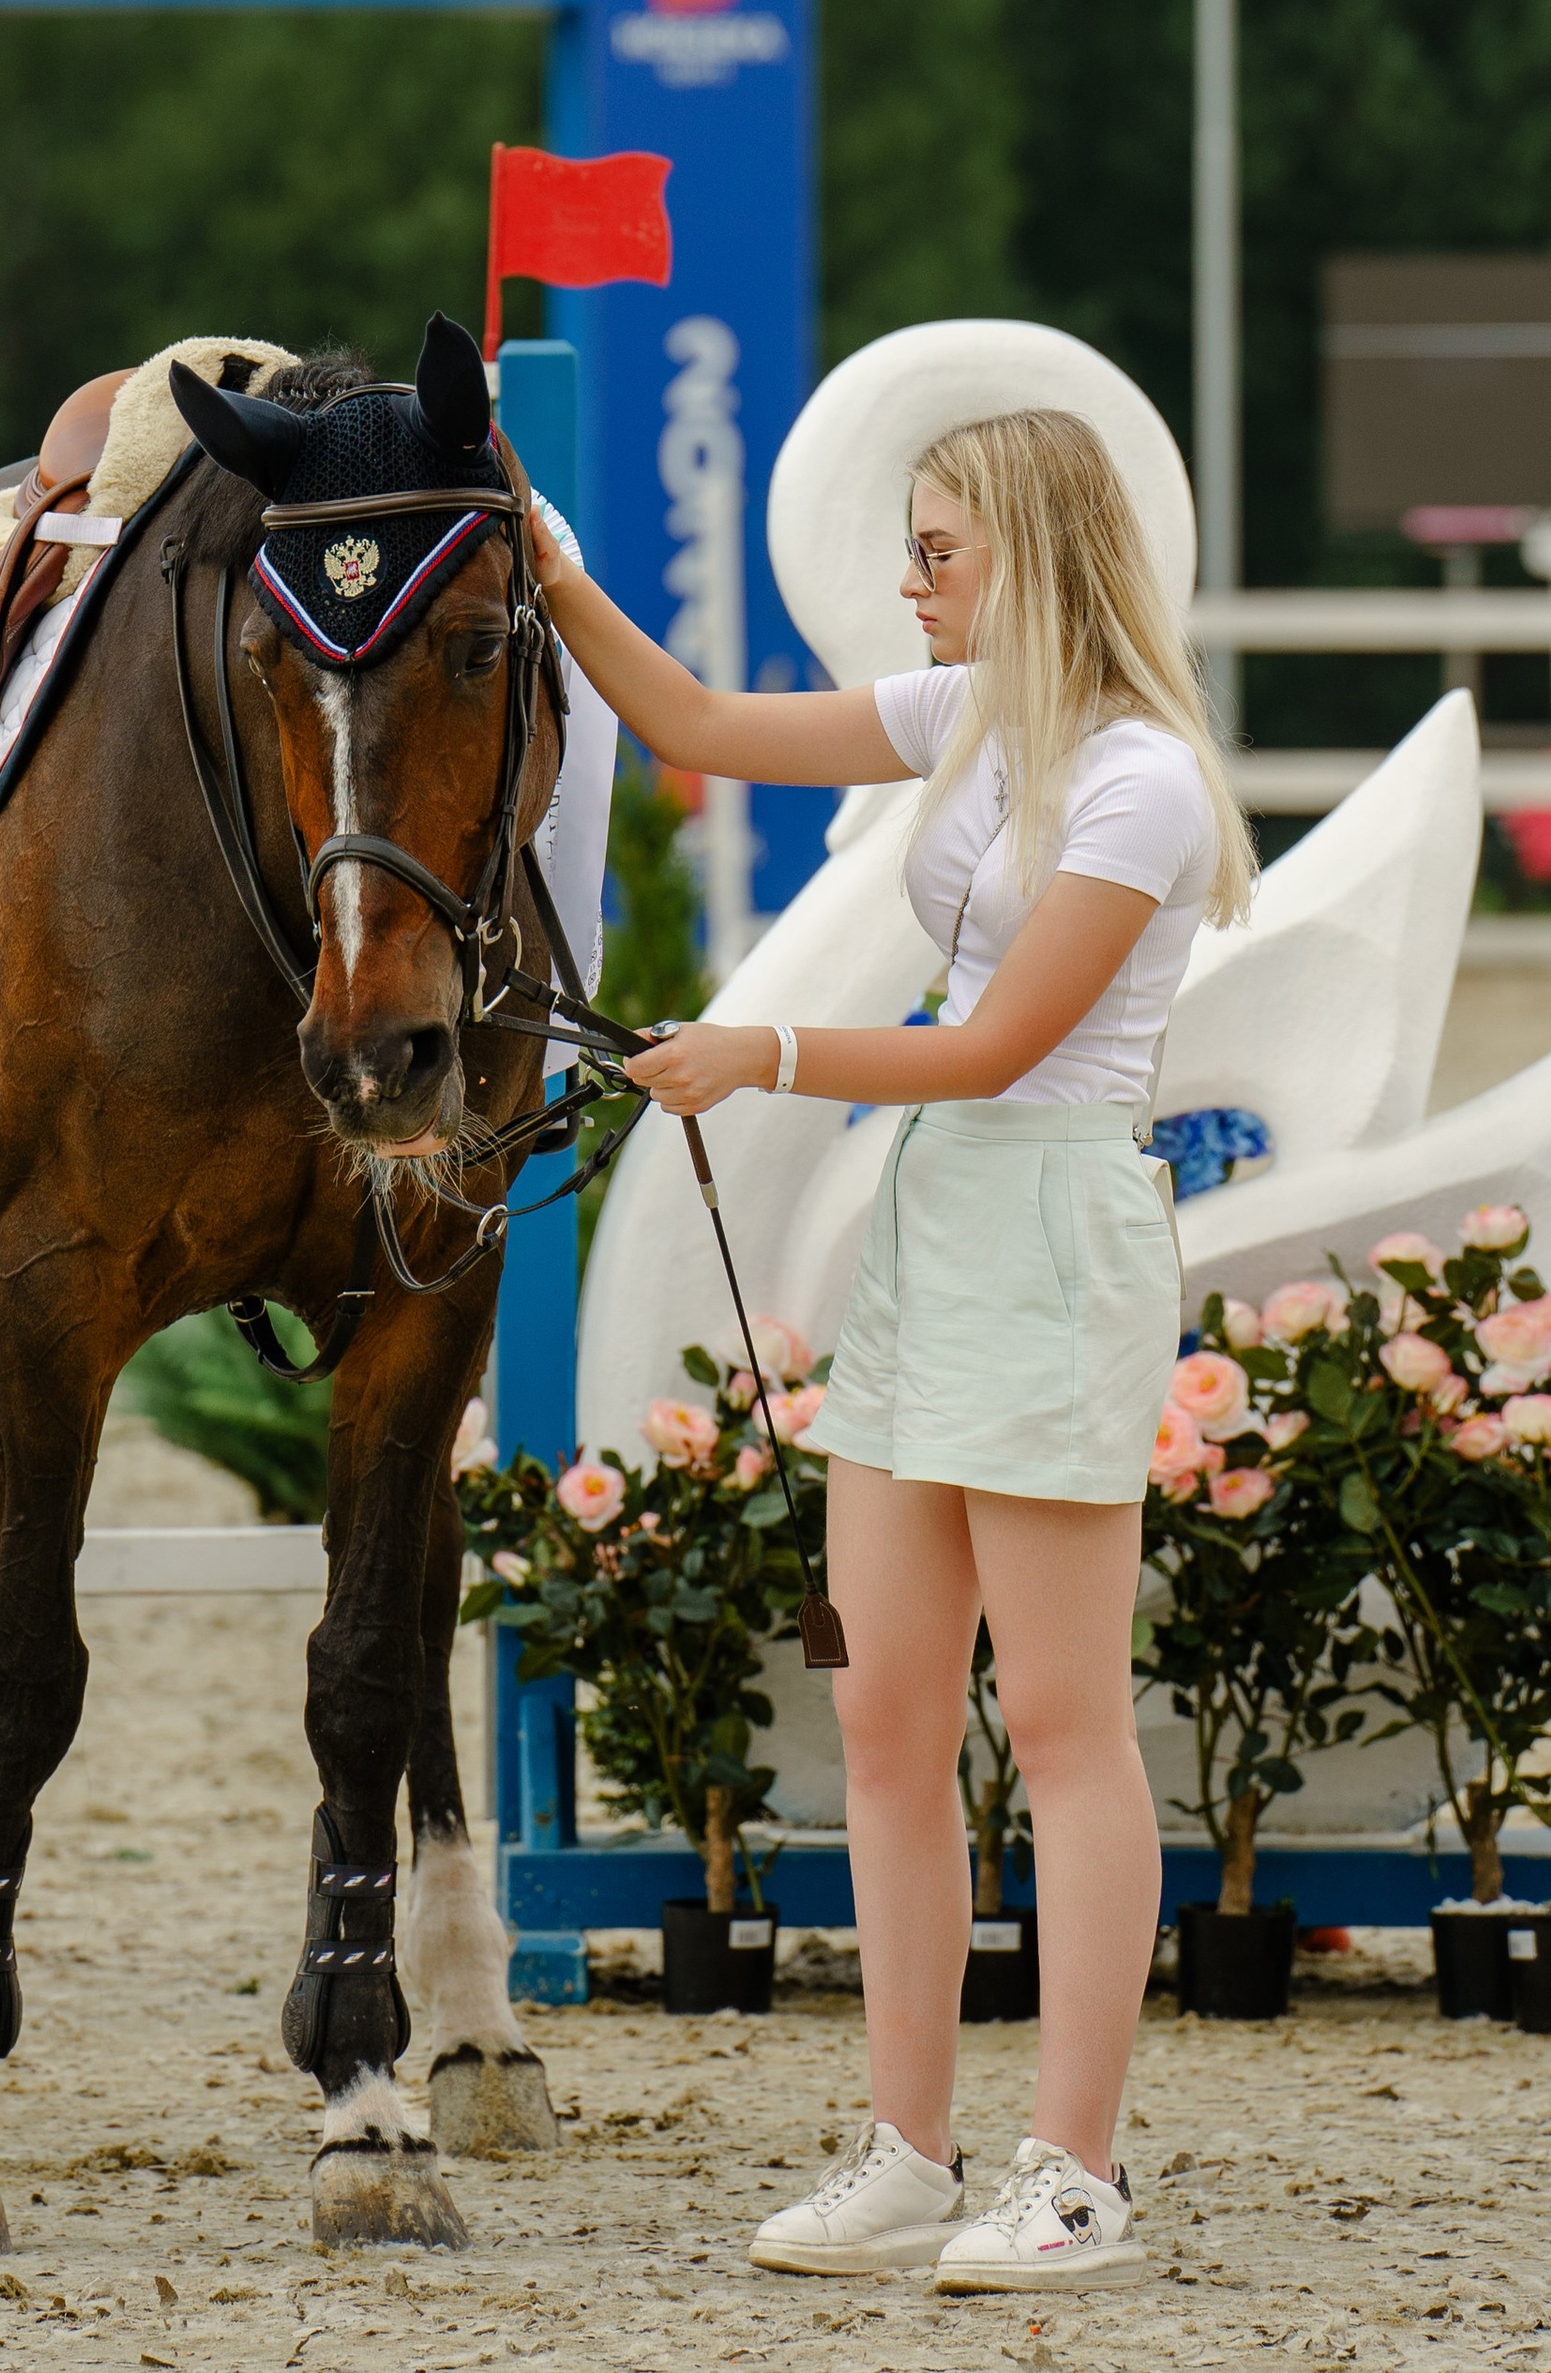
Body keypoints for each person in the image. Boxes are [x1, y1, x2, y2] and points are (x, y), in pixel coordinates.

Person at [527, 404, 1251, 2296]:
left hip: (1053, 1216)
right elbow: (696, 727)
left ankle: (1075, 2170)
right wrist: (550, 567)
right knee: (883, 1714)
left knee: (1069, 1727)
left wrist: (760, 1051)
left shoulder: (1142, 780)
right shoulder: (967, 720)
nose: (912, 581)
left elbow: (1002, 1041)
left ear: (1025, 552)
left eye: (939, 550)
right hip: (931, 1223)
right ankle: (909, 2151)